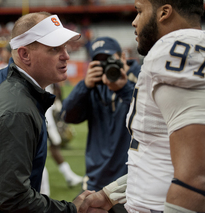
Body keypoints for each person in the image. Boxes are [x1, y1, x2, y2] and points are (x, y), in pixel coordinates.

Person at [0, 12, 94, 212]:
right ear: (24, 54)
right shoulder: (17, 108)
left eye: (65, 47)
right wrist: (71, 210)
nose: (66, 55)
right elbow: (13, 198)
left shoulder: (4, 82)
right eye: (54, 48)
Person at [79, 0, 205, 212]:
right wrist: (111, 194)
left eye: (139, 11)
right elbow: (161, 158)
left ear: (164, 12)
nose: (134, 21)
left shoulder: (175, 49)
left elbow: (196, 176)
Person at [61, 36, 140, 213]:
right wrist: (85, 86)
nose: (105, 66)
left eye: (109, 59)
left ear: (123, 58)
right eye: (99, 62)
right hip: (96, 181)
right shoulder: (93, 86)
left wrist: (124, 88)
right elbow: (67, 116)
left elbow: (151, 115)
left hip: (129, 181)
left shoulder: (140, 77)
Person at [41, 83, 83, 196]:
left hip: (46, 113)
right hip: (41, 116)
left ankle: (68, 175)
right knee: (38, 156)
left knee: (52, 146)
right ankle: (68, 176)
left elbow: (55, 88)